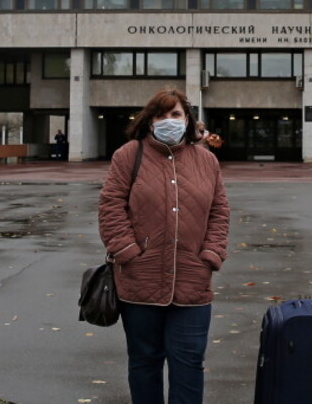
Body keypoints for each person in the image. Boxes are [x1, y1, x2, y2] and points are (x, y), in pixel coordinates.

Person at [98, 88, 229, 404]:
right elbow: (111, 205)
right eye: (161, 115)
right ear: (149, 120)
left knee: (190, 362)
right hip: (139, 279)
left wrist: (211, 254)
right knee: (145, 360)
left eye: (175, 114)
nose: (168, 120)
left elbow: (219, 210)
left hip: (193, 278)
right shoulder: (128, 155)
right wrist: (128, 252)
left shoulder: (206, 161)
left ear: (187, 119)